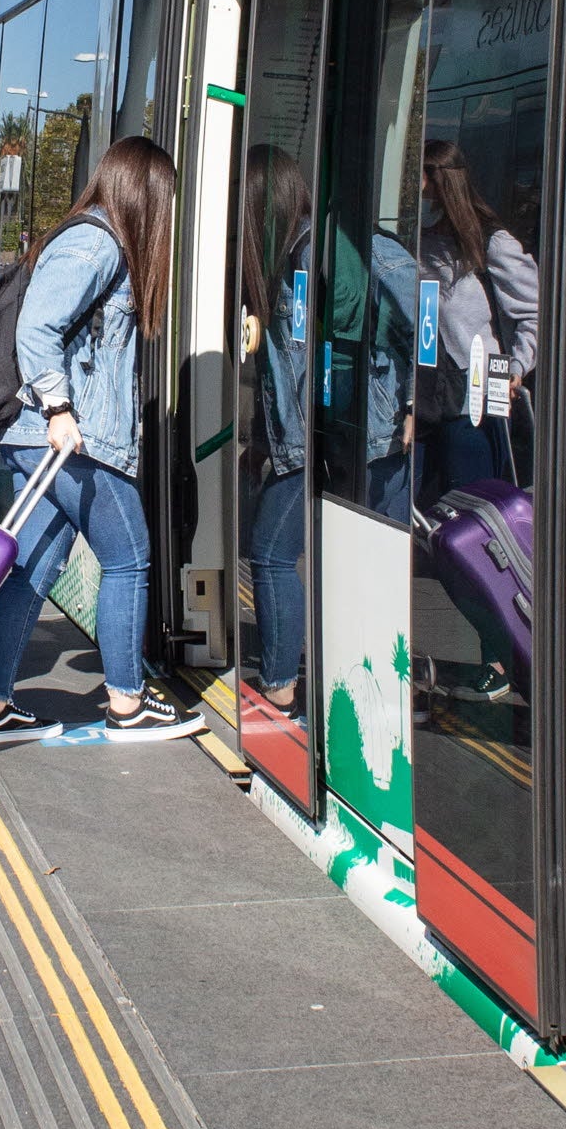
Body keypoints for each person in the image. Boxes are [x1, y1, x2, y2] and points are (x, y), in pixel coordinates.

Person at [0, 137, 205, 743]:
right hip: (73, 439)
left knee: (33, 568)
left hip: (50, 439)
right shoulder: (96, 242)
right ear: (143, 191)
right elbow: (37, 327)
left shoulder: (99, 240)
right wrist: (59, 408)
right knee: (129, 558)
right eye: (165, 196)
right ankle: (127, 703)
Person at [415, 139, 539, 498]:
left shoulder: (489, 243)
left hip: (473, 402)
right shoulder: (416, 241)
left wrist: (517, 366)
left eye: (421, 182)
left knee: (469, 502)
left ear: (442, 183)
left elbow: (534, 311)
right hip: (422, 399)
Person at [238, 145, 313, 715]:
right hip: (296, 441)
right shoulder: (290, 258)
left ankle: (282, 685)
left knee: (268, 553)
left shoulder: (308, 258)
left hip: (312, 444)